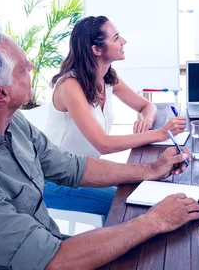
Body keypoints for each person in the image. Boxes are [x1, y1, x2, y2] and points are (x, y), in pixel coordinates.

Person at [0, 24, 199, 270]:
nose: (31, 67)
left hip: (54, 252)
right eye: (22, 67)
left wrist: (151, 169)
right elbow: (54, 262)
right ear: (0, 94)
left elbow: (73, 167)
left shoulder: (9, 122)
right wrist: (155, 221)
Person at [42, 15, 187, 217]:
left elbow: (147, 105)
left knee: (144, 190)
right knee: (132, 205)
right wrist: (161, 133)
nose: (124, 41)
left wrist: (146, 119)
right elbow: (104, 144)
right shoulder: (70, 86)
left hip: (89, 172)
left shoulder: (108, 78)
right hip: (58, 181)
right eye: (116, 37)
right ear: (96, 49)